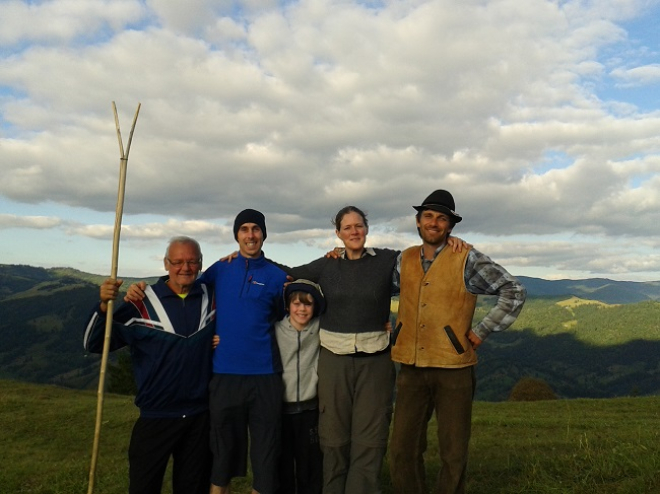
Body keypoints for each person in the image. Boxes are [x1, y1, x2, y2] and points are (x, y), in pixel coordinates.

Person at [389, 190, 527, 494]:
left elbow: (513, 290)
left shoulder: (467, 258)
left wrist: (482, 331)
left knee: (453, 452)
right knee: (402, 449)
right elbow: (375, 288)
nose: (434, 223)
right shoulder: (405, 258)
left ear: (450, 226)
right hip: (410, 367)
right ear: (418, 221)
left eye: (442, 218)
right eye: (428, 216)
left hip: (453, 368)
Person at [277, 206, 399, 494]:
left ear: (367, 229)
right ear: (338, 233)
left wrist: (455, 244)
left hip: (375, 360)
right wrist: (244, 260)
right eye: (348, 227)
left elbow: (425, 266)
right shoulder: (327, 264)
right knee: (333, 437)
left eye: (359, 226)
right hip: (334, 359)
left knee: (370, 438)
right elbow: (287, 274)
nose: (354, 231)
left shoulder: (387, 260)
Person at [83, 236, 216, 494]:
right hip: (156, 416)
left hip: (199, 417)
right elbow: (92, 342)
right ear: (166, 263)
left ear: (200, 264)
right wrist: (102, 306)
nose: (185, 268)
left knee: (194, 487)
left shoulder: (211, 297)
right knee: (144, 486)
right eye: (177, 261)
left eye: (192, 261)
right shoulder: (141, 302)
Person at [200, 209, 289, 494]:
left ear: (264, 234)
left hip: (265, 376)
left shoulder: (277, 276)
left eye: (256, 229)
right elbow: (187, 296)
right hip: (225, 374)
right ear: (236, 234)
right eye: (244, 229)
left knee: (266, 453)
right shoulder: (219, 269)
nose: (251, 235)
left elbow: (292, 309)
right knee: (222, 452)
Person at [275, 279, 326, 494]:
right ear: (287, 306)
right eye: (296, 303)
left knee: (310, 465)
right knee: (282, 466)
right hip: (281, 411)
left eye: (308, 304)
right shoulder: (275, 330)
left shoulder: (321, 327)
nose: (302, 309)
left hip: (309, 409)